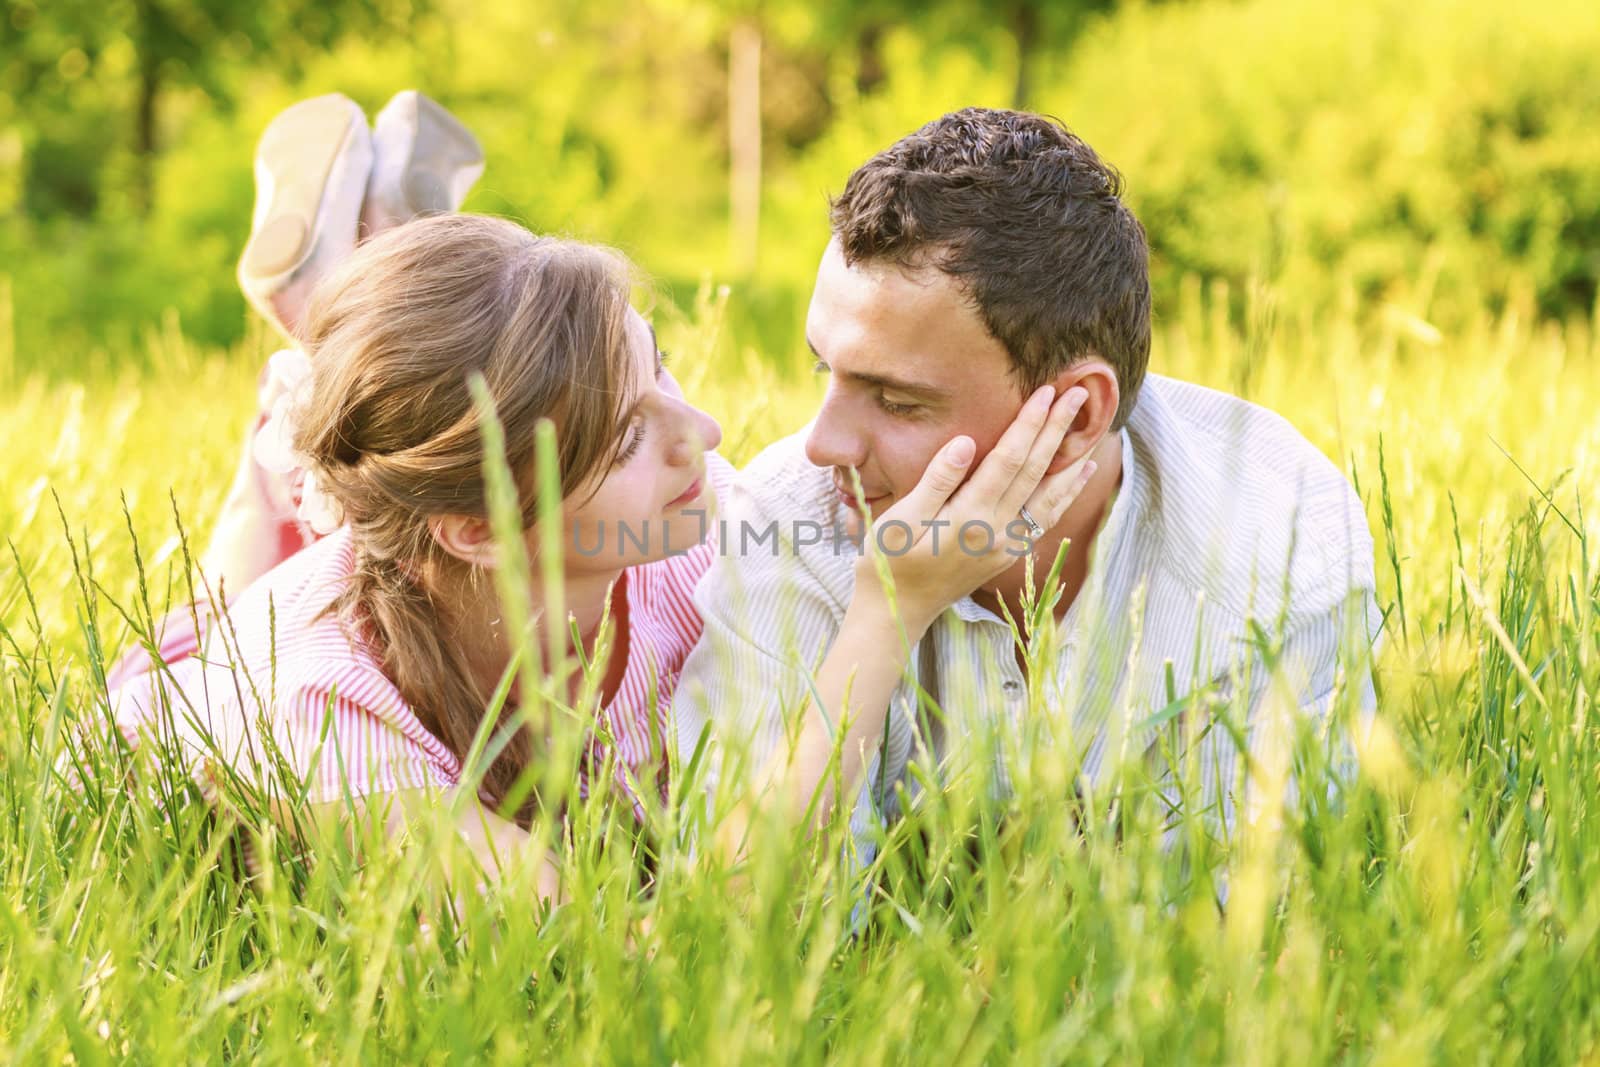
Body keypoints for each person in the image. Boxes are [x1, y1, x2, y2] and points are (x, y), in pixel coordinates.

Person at [106, 98, 1096, 898]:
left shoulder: (691, 545)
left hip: (425, 563)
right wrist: (888, 609)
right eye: (629, 432)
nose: (702, 434)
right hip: (225, 673)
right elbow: (658, 956)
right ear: (477, 524)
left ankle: (354, 295)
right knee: (252, 574)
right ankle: (315, 331)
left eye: (660, 369)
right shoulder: (325, 712)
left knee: (355, 471)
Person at [673, 108, 1383, 863]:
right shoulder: (788, 516)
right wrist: (886, 614)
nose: (823, 444)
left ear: (1078, 417)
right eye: (827, 369)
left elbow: (1232, 932)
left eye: (898, 401)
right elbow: (742, 927)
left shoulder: (1280, 550)